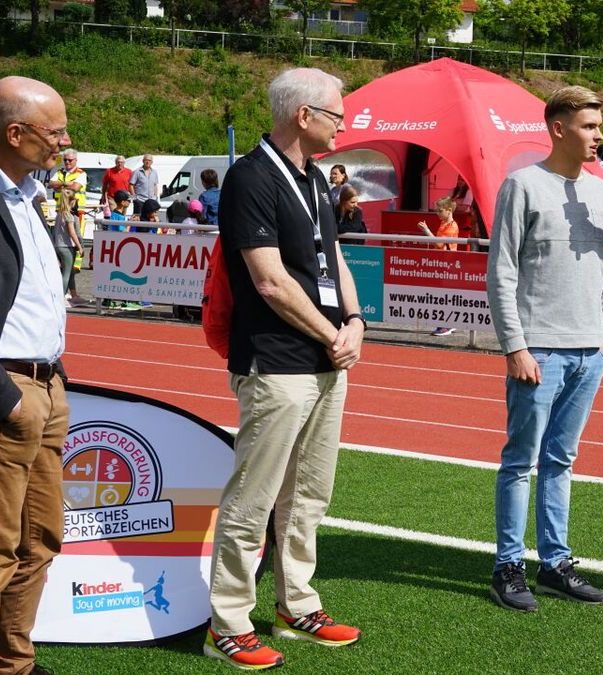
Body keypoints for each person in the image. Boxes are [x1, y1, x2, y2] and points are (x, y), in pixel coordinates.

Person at [205, 67, 364, 670]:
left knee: (308, 495)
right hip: (275, 360)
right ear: (304, 115)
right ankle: (227, 622)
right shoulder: (250, 176)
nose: (343, 125)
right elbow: (269, 281)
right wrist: (332, 333)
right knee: (255, 496)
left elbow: (334, 258)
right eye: (337, 115)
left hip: (325, 357)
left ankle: (297, 604)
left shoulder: (317, 178)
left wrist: (355, 320)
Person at [486, 85, 603, 613]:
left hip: (590, 352)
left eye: (599, 126)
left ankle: (555, 564)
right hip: (538, 350)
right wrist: (515, 346)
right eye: (589, 126)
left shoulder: (601, 192)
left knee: (561, 460)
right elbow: (501, 271)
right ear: (559, 128)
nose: (599, 136)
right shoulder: (521, 185)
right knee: (521, 461)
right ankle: (508, 567)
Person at [0, 75, 72, 675]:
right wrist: (6, 399)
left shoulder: (29, 194)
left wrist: (51, 386)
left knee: (39, 540)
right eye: (56, 131)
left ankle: (14, 663)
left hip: (46, 386)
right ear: (15, 133)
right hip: (3, 394)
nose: (65, 141)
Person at [422, 196, 460, 337]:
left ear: (449, 210)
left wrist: (426, 230)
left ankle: (447, 325)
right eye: (436, 211)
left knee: (446, 295)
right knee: (442, 294)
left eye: (440, 211)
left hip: (449, 265)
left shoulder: (452, 226)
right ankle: (447, 323)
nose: (437, 213)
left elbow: (439, 244)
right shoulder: (444, 223)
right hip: (442, 263)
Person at [53, 188, 83, 306]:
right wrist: (79, 246)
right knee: (66, 273)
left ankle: (73, 296)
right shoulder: (69, 215)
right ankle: (60, 297)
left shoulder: (59, 214)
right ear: (72, 201)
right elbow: (72, 233)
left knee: (69, 272)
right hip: (66, 246)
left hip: (58, 245)